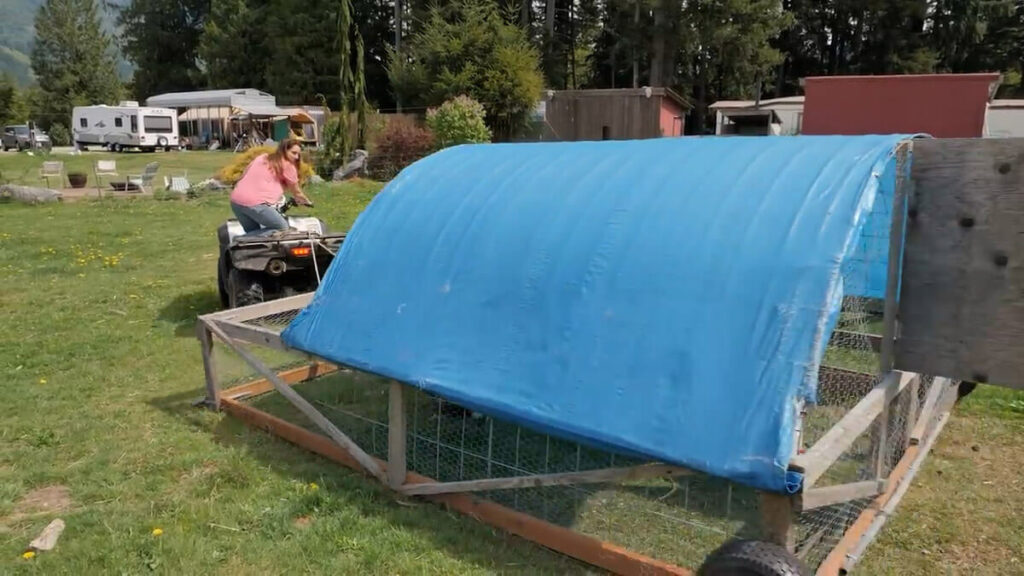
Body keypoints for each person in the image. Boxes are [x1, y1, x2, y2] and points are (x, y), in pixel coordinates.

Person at [229, 138, 312, 237]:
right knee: (282, 228)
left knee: (255, 234)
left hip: (236, 201)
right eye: (293, 153)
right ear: (284, 150)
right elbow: (297, 192)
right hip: (256, 204)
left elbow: (245, 174)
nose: (297, 157)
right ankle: (239, 241)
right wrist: (307, 202)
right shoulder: (288, 166)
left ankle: (243, 246)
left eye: (298, 154)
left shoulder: (262, 157)